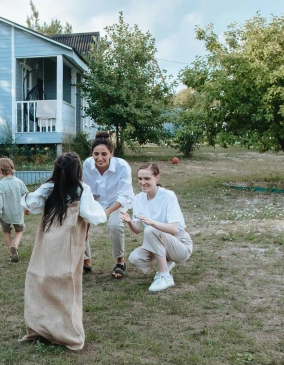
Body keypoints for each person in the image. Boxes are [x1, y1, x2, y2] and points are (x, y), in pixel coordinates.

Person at [19, 152, 107, 351]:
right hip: (69, 240)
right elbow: (91, 215)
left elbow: (31, 203)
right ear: (78, 171)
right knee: (66, 279)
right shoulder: (82, 189)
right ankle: (66, 331)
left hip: (48, 239)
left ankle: (43, 326)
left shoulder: (49, 187)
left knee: (42, 276)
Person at [121, 162, 193, 292]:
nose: (143, 182)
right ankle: (166, 263)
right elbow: (137, 230)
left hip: (180, 244)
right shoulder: (138, 199)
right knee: (135, 258)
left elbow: (173, 229)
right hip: (158, 243)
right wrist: (130, 222)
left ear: (157, 178)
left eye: (147, 178)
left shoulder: (168, 196)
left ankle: (165, 276)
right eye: (140, 179)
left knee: (150, 230)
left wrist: (152, 222)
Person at [82, 131, 135, 279]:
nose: (99, 158)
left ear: (111, 153)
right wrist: (87, 213)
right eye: (96, 154)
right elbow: (88, 191)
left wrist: (108, 212)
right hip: (97, 201)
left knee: (114, 225)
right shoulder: (87, 164)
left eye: (104, 154)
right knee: (80, 224)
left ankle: (120, 261)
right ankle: (86, 262)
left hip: (117, 202)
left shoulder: (122, 166)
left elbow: (124, 195)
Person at [0, 157, 28, 262]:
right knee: (19, 231)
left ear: (1, 171)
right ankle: (15, 246)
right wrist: (26, 208)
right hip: (17, 213)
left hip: (5, 215)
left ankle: (11, 253)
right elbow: (26, 195)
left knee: (6, 232)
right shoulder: (19, 182)